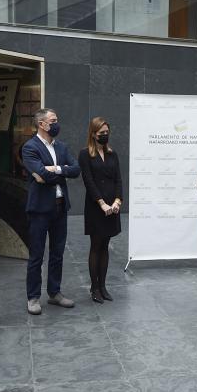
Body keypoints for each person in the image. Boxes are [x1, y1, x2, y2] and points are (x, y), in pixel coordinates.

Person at [22, 108, 81, 315]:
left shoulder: (62, 146)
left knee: (57, 253)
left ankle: (54, 293)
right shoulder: (30, 147)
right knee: (36, 255)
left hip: (60, 206)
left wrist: (54, 169)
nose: (56, 123)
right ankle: (33, 297)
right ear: (41, 124)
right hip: (39, 209)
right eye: (53, 120)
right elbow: (39, 174)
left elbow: (75, 170)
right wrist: (58, 171)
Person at [78, 117, 123, 303]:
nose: (105, 135)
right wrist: (102, 203)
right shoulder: (85, 154)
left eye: (107, 132)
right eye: (101, 133)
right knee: (96, 246)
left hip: (113, 207)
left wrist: (118, 201)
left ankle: (103, 286)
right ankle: (94, 288)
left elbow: (118, 179)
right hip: (96, 207)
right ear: (93, 134)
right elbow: (89, 181)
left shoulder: (113, 154)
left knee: (106, 246)